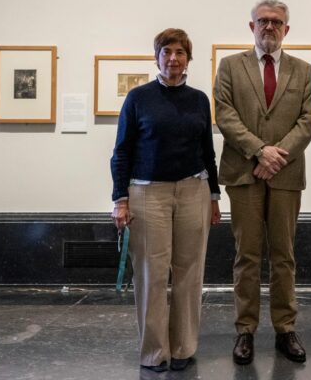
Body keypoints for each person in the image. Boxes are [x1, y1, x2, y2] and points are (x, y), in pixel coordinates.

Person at [110, 28, 222, 373]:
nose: (173, 58)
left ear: (188, 59)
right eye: (167, 52)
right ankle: (154, 352)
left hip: (194, 191)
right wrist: (120, 199)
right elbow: (122, 152)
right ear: (157, 57)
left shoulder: (200, 99)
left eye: (180, 52)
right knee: (151, 274)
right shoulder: (138, 98)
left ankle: (184, 347)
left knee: (190, 273)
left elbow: (207, 151)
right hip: (148, 193)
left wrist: (215, 196)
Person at [214, 0, 311, 365]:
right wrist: (260, 151)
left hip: (286, 175)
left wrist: (276, 157)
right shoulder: (230, 66)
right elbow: (224, 114)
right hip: (243, 173)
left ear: (286, 29)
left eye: (277, 22)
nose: (269, 27)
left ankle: (285, 327)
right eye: (263, 21)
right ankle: (245, 330)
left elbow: (308, 120)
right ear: (252, 26)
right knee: (246, 255)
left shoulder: (304, 71)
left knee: (284, 255)